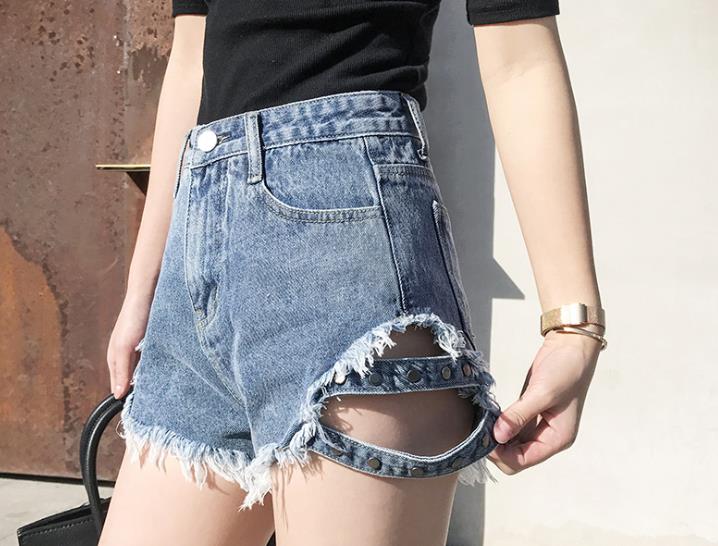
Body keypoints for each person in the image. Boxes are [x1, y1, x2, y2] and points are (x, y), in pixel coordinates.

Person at [101, 0, 605, 544]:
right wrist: (143, 287)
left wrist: (572, 325)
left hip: (344, 242)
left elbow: (520, 60)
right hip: (199, 234)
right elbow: (192, 57)